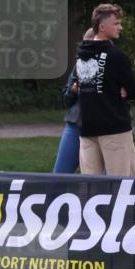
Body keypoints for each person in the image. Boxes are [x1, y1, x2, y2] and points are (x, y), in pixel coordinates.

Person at [75, 4, 135, 177]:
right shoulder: (117, 57)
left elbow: (79, 86)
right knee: (122, 186)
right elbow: (133, 91)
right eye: (116, 23)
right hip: (114, 129)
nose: (120, 27)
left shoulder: (82, 55)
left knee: (91, 189)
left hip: (88, 128)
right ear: (102, 27)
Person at [53, 28, 94, 173]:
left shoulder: (112, 62)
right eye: (85, 44)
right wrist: (73, 90)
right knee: (59, 175)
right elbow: (67, 99)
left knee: (100, 180)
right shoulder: (79, 66)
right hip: (75, 124)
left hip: (101, 128)